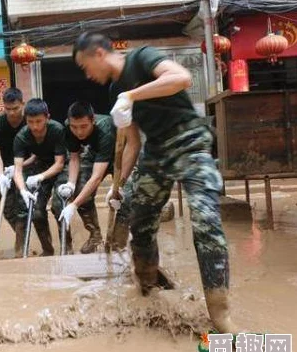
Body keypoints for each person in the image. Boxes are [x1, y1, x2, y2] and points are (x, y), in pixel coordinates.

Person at [73, 32, 237, 334]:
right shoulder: (115, 92)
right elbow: (133, 142)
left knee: (205, 220)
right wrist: (119, 184)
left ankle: (220, 313)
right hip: (156, 151)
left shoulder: (142, 57)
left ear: (98, 53)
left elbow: (181, 78)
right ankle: (147, 288)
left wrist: (133, 95)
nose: (87, 74)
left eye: (85, 66)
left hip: (189, 140)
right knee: (140, 218)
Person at [53, 101, 120, 254]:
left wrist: (74, 205)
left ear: (93, 121)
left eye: (84, 126)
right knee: (80, 190)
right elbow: (75, 157)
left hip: (121, 155)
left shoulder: (105, 130)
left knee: (125, 198)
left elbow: (96, 177)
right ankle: (95, 235)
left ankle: (117, 243)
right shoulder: (69, 127)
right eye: (74, 127)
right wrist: (71, 183)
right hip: (95, 153)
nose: (79, 132)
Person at [13, 98, 66, 256]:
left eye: (39, 121)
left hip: (61, 166)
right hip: (41, 165)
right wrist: (23, 190)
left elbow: (60, 163)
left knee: (59, 205)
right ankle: (48, 250)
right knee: (35, 210)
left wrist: (41, 177)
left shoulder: (57, 129)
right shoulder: (21, 137)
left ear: (47, 117)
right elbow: (17, 170)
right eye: (30, 121)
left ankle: (67, 245)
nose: (35, 126)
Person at [0, 88, 32, 257]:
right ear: (3, 107)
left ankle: (20, 248)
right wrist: (1, 175)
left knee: (21, 208)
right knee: (8, 210)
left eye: (16, 108)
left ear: (22, 104)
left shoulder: (31, 121)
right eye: (8, 109)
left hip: (27, 166)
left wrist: (19, 167)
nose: (12, 113)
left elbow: (36, 153)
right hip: (4, 169)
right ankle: (23, 233)